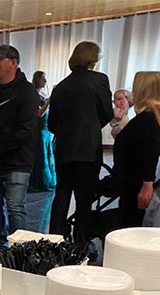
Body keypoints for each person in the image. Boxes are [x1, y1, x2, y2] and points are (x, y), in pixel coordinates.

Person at [0, 44, 39, 265]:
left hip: (17, 162)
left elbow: (26, 129)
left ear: (13, 63)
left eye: (0, 60)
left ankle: (20, 251)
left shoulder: (27, 92)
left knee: (15, 208)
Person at [48, 41, 114, 239]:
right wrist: (92, 126)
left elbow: (52, 124)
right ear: (93, 59)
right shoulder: (100, 80)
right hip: (88, 148)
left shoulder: (60, 86)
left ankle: (56, 239)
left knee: (61, 196)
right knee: (84, 200)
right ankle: (81, 243)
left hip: (64, 149)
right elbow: (107, 113)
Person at [112, 71, 160, 228]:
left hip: (134, 184)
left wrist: (147, 186)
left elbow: (151, 154)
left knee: (130, 226)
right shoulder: (149, 118)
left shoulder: (147, 120)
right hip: (130, 182)